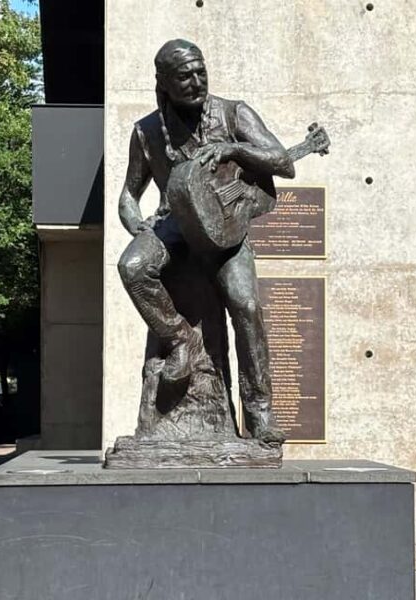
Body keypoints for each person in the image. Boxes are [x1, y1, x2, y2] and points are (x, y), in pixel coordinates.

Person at [117, 39, 293, 443]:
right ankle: (181, 340)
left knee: (246, 305)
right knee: (132, 268)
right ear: (163, 82)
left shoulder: (234, 113)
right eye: (185, 76)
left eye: (201, 72)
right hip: (174, 227)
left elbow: (283, 162)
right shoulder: (146, 132)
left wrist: (232, 147)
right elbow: (130, 194)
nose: (196, 82)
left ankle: (260, 412)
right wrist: (135, 224)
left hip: (226, 234)